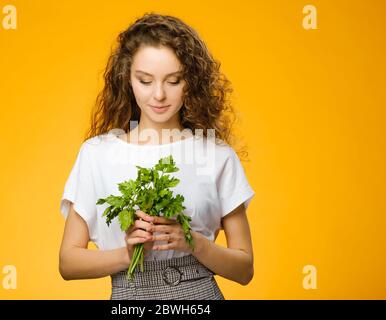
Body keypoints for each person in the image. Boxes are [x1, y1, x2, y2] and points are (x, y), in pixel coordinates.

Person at [58, 13, 255, 300]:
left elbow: (245, 269)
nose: (159, 95)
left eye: (173, 81)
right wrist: (127, 255)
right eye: (145, 81)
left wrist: (193, 243)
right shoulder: (97, 154)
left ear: (191, 82)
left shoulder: (215, 154)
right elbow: (68, 262)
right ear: (127, 79)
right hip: (130, 296)